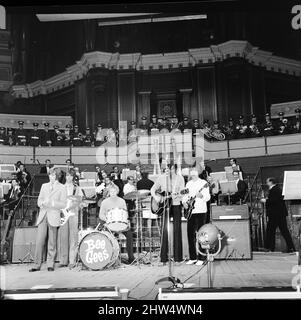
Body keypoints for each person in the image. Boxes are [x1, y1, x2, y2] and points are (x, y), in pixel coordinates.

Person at [29, 168, 67, 272]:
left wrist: (53, 203)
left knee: (52, 242)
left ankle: (50, 264)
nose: (52, 177)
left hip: (54, 216)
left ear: (58, 176)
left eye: (54, 176)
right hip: (43, 215)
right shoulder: (44, 186)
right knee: (39, 241)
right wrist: (42, 203)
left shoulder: (62, 187)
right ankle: (36, 264)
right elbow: (39, 201)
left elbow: (64, 204)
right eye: (50, 175)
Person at [151, 163, 185, 264]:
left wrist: (178, 195)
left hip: (176, 204)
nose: (170, 171)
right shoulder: (161, 178)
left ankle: (178, 258)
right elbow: (152, 189)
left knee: (177, 230)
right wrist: (156, 196)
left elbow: (183, 192)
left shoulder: (180, 178)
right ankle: (163, 258)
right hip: (165, 205)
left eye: (172, 169)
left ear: (175, 169)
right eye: (168, 169)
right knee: (164, 230)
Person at [99, 185, 135, 264]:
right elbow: (101, 215)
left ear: (117, 191)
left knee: (129, 234)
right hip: (109, 225)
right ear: (109, 192)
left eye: (114, 191)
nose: (113, 193)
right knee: (105, 237)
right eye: (111, 191)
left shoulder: (122, 201)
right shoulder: (104, 202)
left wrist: (126, 222)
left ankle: (131, 258)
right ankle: (108, 258)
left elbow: (126, 214)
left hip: (121, 224)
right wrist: (107, 220)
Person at [182, 168, 210, 266]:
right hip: (191, 212)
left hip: (201, 211)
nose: (192, 175)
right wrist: (184, 202)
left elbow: (208, 197)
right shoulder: (188, 184)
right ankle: (192, 257)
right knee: (190, 235)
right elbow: (185, 195)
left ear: (197, 173)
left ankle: (202, 257)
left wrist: (201, 196)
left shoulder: (204, 183)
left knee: (201, 235)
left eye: (194, 174)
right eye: (191, 174)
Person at [261, 177, 295, 253]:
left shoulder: (275, 189)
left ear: (271, 182)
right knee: (283, 231)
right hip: (279, 214)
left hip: (275, 214)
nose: (266, 183)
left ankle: (269, 247)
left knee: (270, 230)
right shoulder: (277, 189)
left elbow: (274, 200)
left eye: (267, 181)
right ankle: (290, 247)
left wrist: (265, 200)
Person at [58, 169, 83, 269]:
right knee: (63, 237)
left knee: (73, 237)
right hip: (63, 214)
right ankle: (63, 260)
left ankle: (72, 260)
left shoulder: (77, 188)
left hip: (73, 214)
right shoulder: (61, 187)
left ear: (73, 177)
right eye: (67, 175)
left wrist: (71, 207)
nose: (68, 177)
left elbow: (79, 200)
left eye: (70, 176)